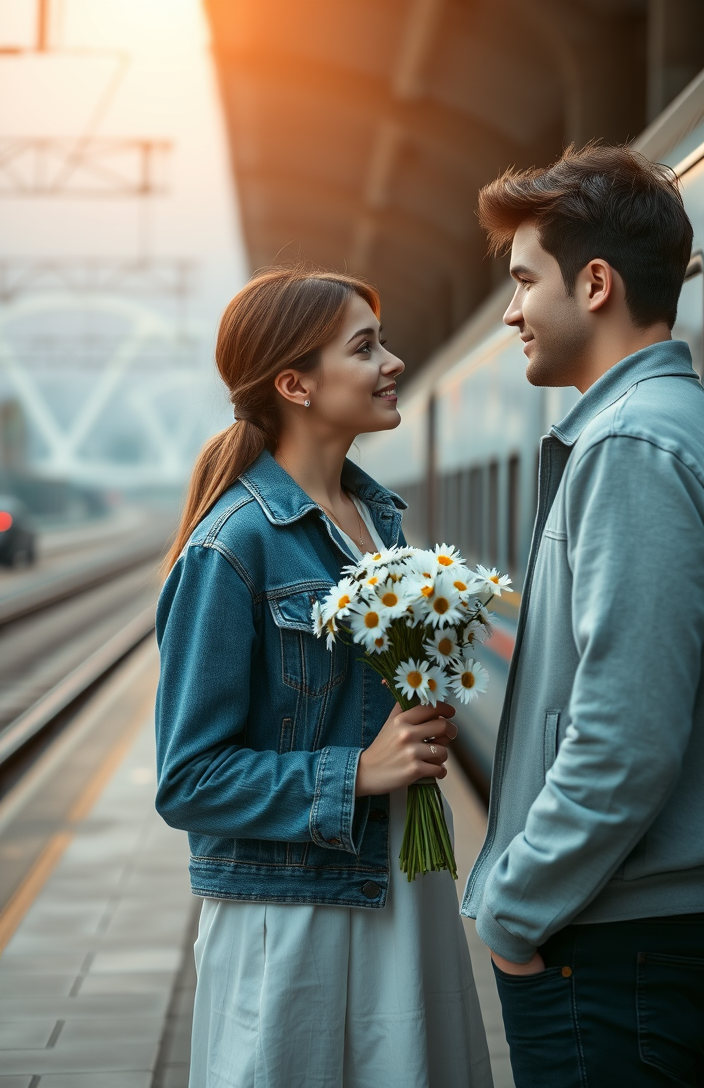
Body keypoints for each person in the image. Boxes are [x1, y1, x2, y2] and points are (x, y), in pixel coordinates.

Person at [461, 143, 704, 1087]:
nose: (512, 310)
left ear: (594, 284)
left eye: (524, 281)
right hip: (622, 928)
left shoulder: (634, 445)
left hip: (611, 938)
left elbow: (625, 739)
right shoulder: (653, 430)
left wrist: (513, 909)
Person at [155, 269, 492, 1088]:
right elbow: (188, 780)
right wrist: (359, 771)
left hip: (403, 895)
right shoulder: (232, 547)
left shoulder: (380, 522)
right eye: (366, 347)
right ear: (295, 383)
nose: (395, 362)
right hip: (293, 926)